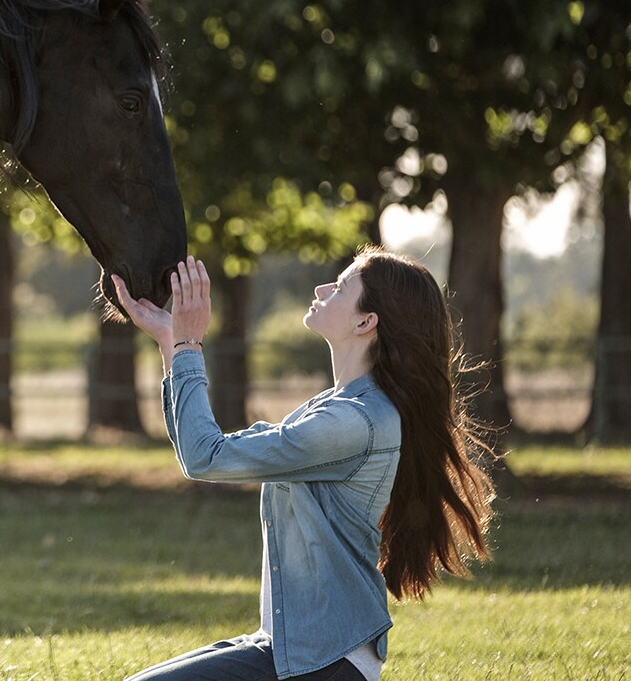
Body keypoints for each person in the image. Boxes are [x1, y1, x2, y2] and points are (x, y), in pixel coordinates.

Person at [112, 247, 495, 681]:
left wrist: (187, 345)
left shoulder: (354, 421)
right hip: (290, 649)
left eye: (342, 286)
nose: (321, 288)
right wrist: (172, 344)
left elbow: (206, 456)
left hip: (325, 662)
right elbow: (203, 453)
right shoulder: (339, 409)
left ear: (365, 322)